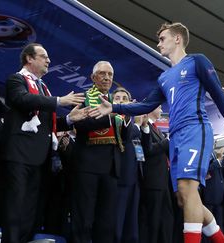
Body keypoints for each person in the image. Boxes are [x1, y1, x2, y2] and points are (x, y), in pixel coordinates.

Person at [90, 22, 224, 243]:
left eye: (162, 38)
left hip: (196, 129)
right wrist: (114, 107)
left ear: (177, 39)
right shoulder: (164, 78)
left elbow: (219, 96)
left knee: (188, 189)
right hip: (175, 138)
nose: (158, 43)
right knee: (184, 199)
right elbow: (145, 105)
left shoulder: (197, 61)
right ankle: (222, 240)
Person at [2, 43, 86, 242]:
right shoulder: (16, 80)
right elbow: (23, 100)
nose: (48, 60)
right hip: (19, 155)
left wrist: (70, 119)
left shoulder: (43, 88)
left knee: (31, 212)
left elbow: (46, 123)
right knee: (16, 208)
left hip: (40, 158)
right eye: (43, 56)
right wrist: (59, 101)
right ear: (29, 59)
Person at [70, 61, 130, 243]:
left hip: (111, 168)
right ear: (93, 77)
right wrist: (108, 116)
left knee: (107, 222)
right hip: (87, 166)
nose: (107, 77)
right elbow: (79, 126)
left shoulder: (115, 102)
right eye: (102, 73)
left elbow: (124, 138)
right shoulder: (83, 98)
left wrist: (126, 119)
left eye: (110, 74)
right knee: (84, 219)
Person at [139, 105, 174, 243]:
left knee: (166, 218)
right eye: (158, 107)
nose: (161, 110)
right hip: (152, 181)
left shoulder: (158, 130)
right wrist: (166, 142)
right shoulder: (145, 127)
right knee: (152, 220)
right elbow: (147, 150)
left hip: (163, 181)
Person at [113, 87, 141, 243]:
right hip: (119, 177)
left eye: (125, 98)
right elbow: (126, 135)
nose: (121, 100)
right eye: (117, 98)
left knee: (131, 227)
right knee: (117, 223)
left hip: (135, 178)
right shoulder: (111, 118)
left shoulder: (132, 122)